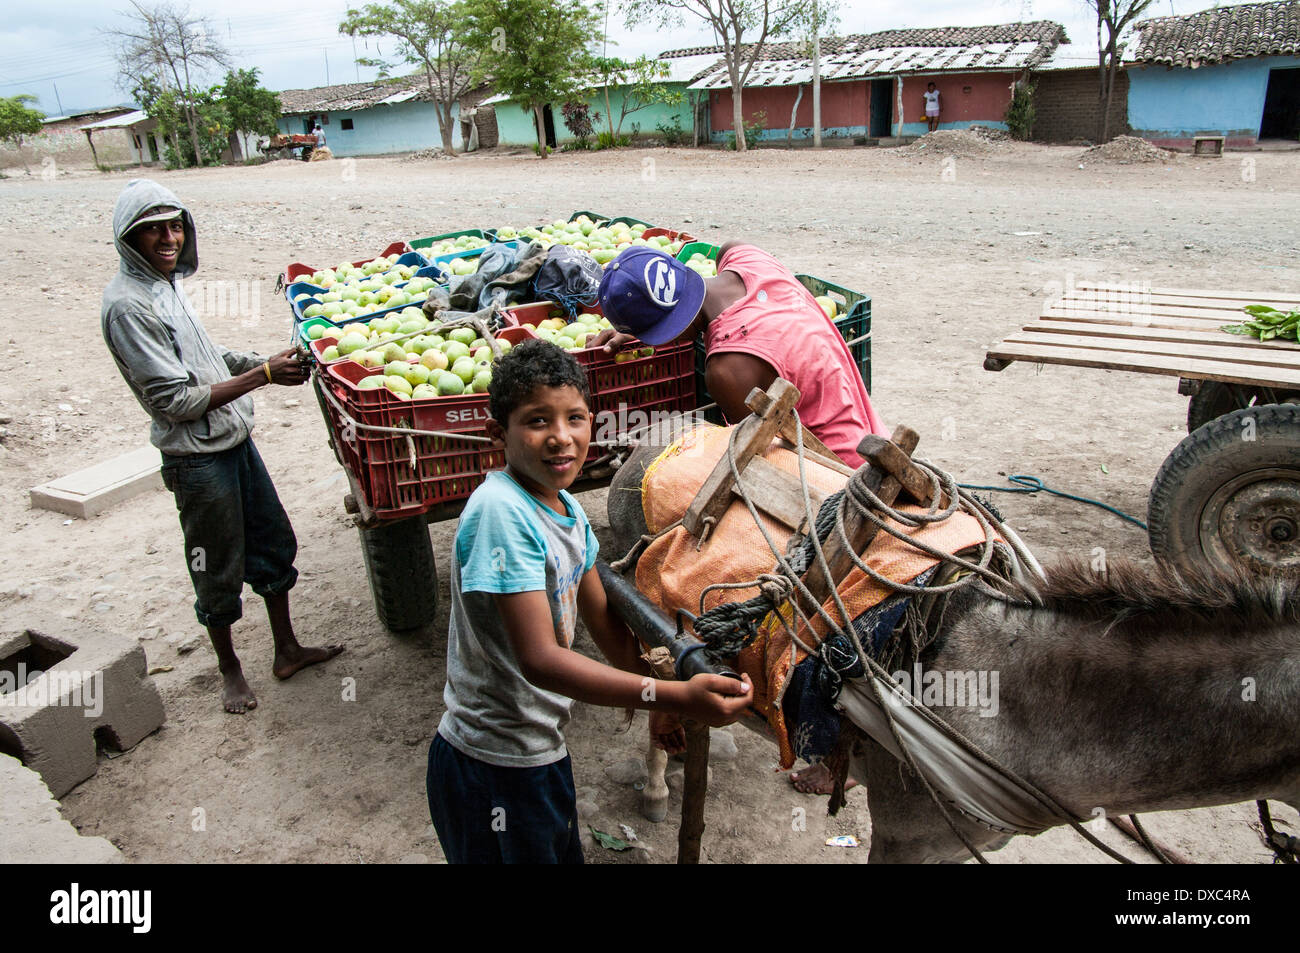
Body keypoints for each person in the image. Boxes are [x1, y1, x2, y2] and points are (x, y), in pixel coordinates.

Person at [426, 339, 752, 863]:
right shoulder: (500, 513)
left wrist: (653, 705)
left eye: (575, 418)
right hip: (491, 765)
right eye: (537, 421)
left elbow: (602, 618)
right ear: (497, 435)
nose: (561, 438)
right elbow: (542, 661)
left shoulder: (569, 511)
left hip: (538, 753)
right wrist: (675, 698)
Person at [595, 244, 882, 795]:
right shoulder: (751, 262)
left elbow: (749, 459)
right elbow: (726, 250)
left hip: (826, 474)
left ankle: (826, 741)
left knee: (802, 601)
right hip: (867, 433)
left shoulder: (729, 367)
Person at [101, 179, 343, 714]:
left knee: (272, 541)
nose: (168, 238)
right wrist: (261, 374)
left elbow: (203, 355)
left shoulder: (164, 285)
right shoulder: (128, 306)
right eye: (153, 230)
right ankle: (229, 669)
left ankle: (286, 649)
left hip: (233, 439)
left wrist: (259, 360)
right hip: (195, 459)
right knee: (216, 563)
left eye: (175, 225)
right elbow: (176, 400)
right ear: (128, 238)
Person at [594, 243, 886, 469]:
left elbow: (759, 457)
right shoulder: (746, 258)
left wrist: (671, 454)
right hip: (871, 438)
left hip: (834, 473)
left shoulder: (726, 369)